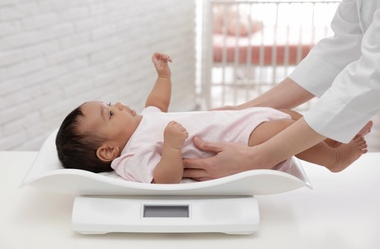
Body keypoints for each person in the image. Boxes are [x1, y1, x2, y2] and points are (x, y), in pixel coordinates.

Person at [56, 52, 369, 184]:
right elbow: (165, 179)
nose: (120, 105)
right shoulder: (130, 158)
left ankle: (331, 135)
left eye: (111, 104)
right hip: (238, 140)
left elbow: (157, 103)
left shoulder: (142, 123)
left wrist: (163, 75)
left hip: (240, 120)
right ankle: (333, 158)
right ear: (108, 151)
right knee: (284, 132)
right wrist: (172, 148)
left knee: (290, 117)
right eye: (110, 113)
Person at [182, 0, 379, 181]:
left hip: (217, 134)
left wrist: (258, 157)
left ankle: (333, 156)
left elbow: (372, 74)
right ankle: (329, 140)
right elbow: (346, 46)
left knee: (279, 124)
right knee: (285, 117)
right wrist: (241, 111)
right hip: (223, 129)